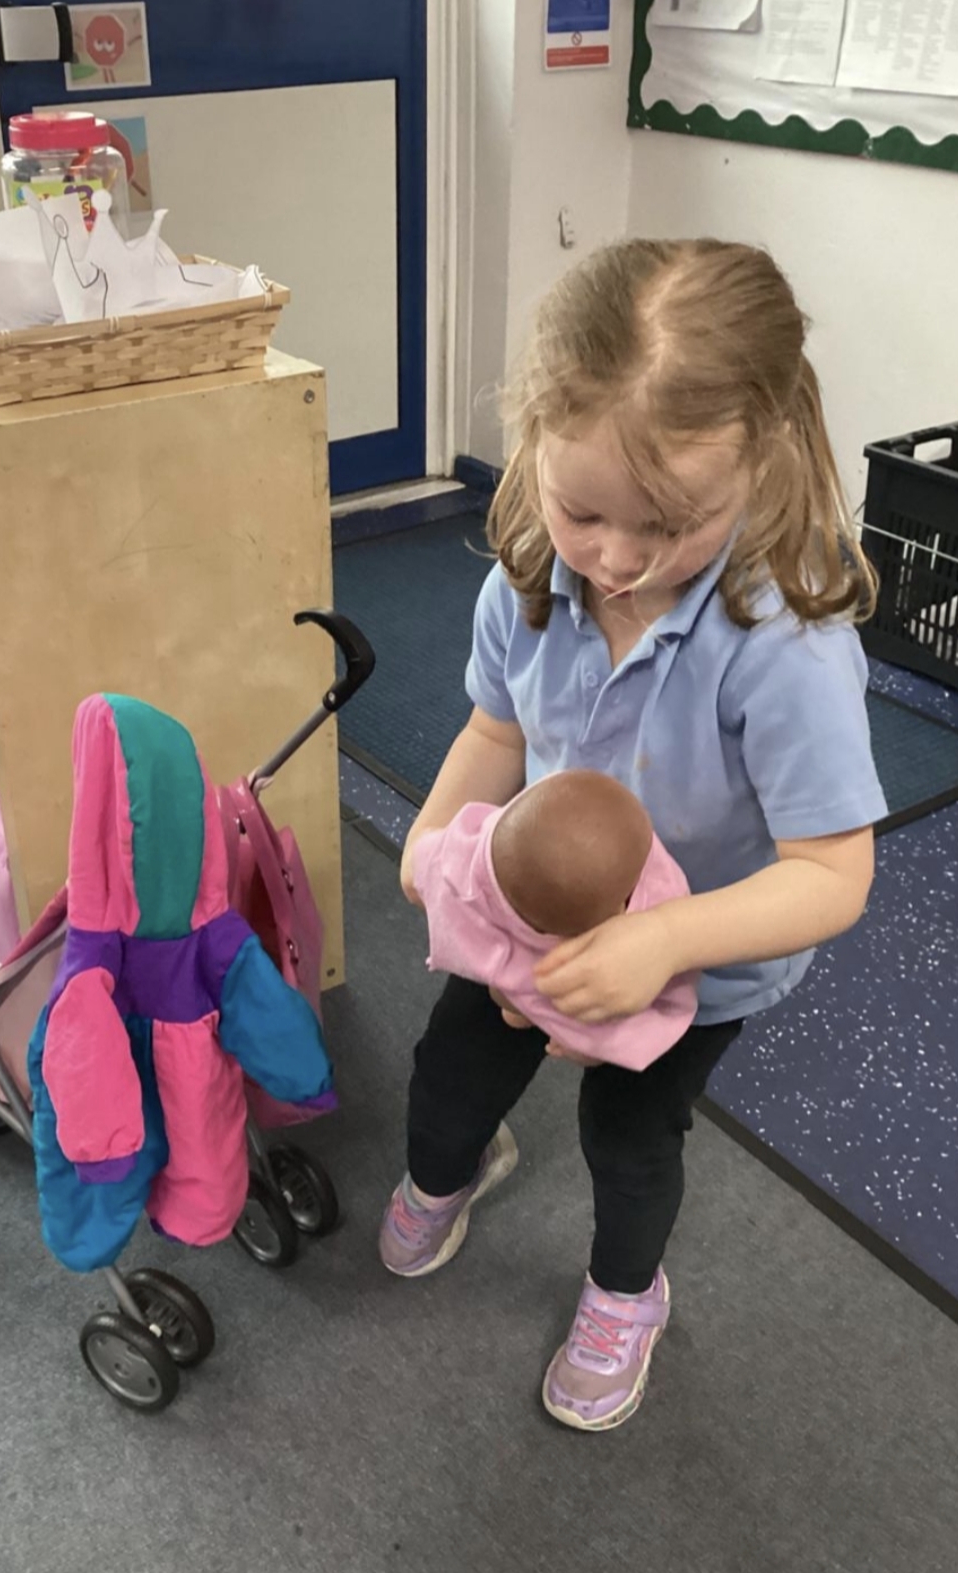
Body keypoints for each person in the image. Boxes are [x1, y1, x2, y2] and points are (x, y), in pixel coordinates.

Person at [378, 238, 886, 1432]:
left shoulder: (788, 644)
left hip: (690, 965)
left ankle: (625, 1293)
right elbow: (496, 733)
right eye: (582, 510)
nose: (613, 558)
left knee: (628, 1132)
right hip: (529, 912)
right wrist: (433, 832)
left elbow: (832, 872)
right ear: (533, 445)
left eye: (668, 524)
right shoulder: (526, 580)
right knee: (449, 1071)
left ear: (763, 457)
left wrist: (660, 947)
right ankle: (458, 1166)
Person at [411, 770, 699, 1070]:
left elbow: (432, 859)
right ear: (617, 912)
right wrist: (587, 1044)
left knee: (497, 1008)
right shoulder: (643, 913)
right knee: (566, 1020)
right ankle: (535, 1015)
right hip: (561, 988)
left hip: (506, 953)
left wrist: (421, 857)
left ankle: (521, 1009)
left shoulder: (481, 861)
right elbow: (633, 1025)